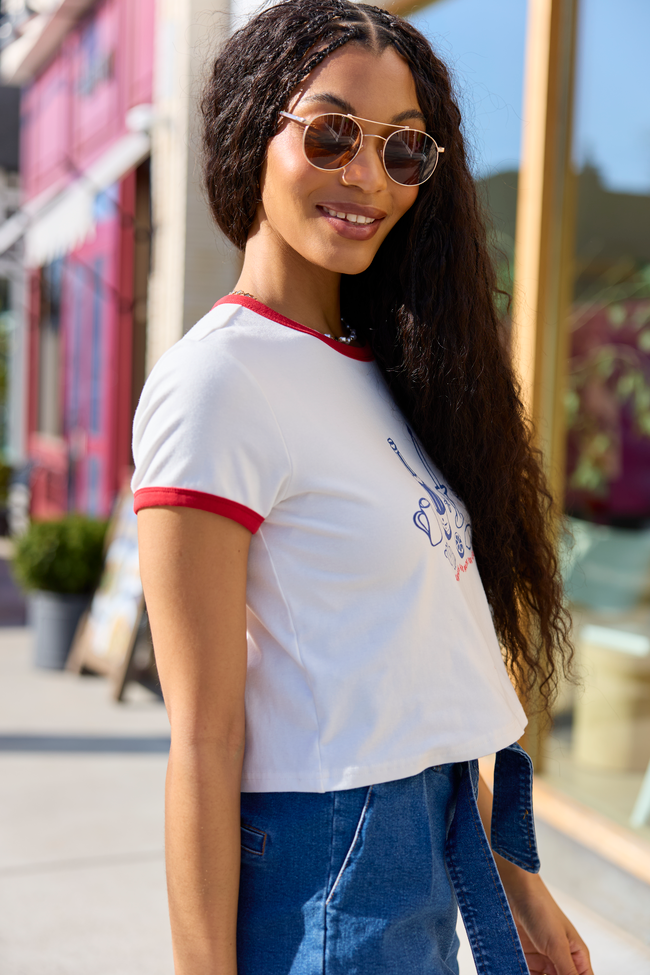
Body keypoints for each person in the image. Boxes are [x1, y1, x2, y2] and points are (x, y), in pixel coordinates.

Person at [132, 2, 593, 973]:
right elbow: (205, 742)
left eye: (403, 151)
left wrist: (521, 892)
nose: (366, 178)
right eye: (332, 132)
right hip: (327, 870)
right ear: (254, 128)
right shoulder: (218, 383)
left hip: (423, 842)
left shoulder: (374, 372)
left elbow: (409, 679)